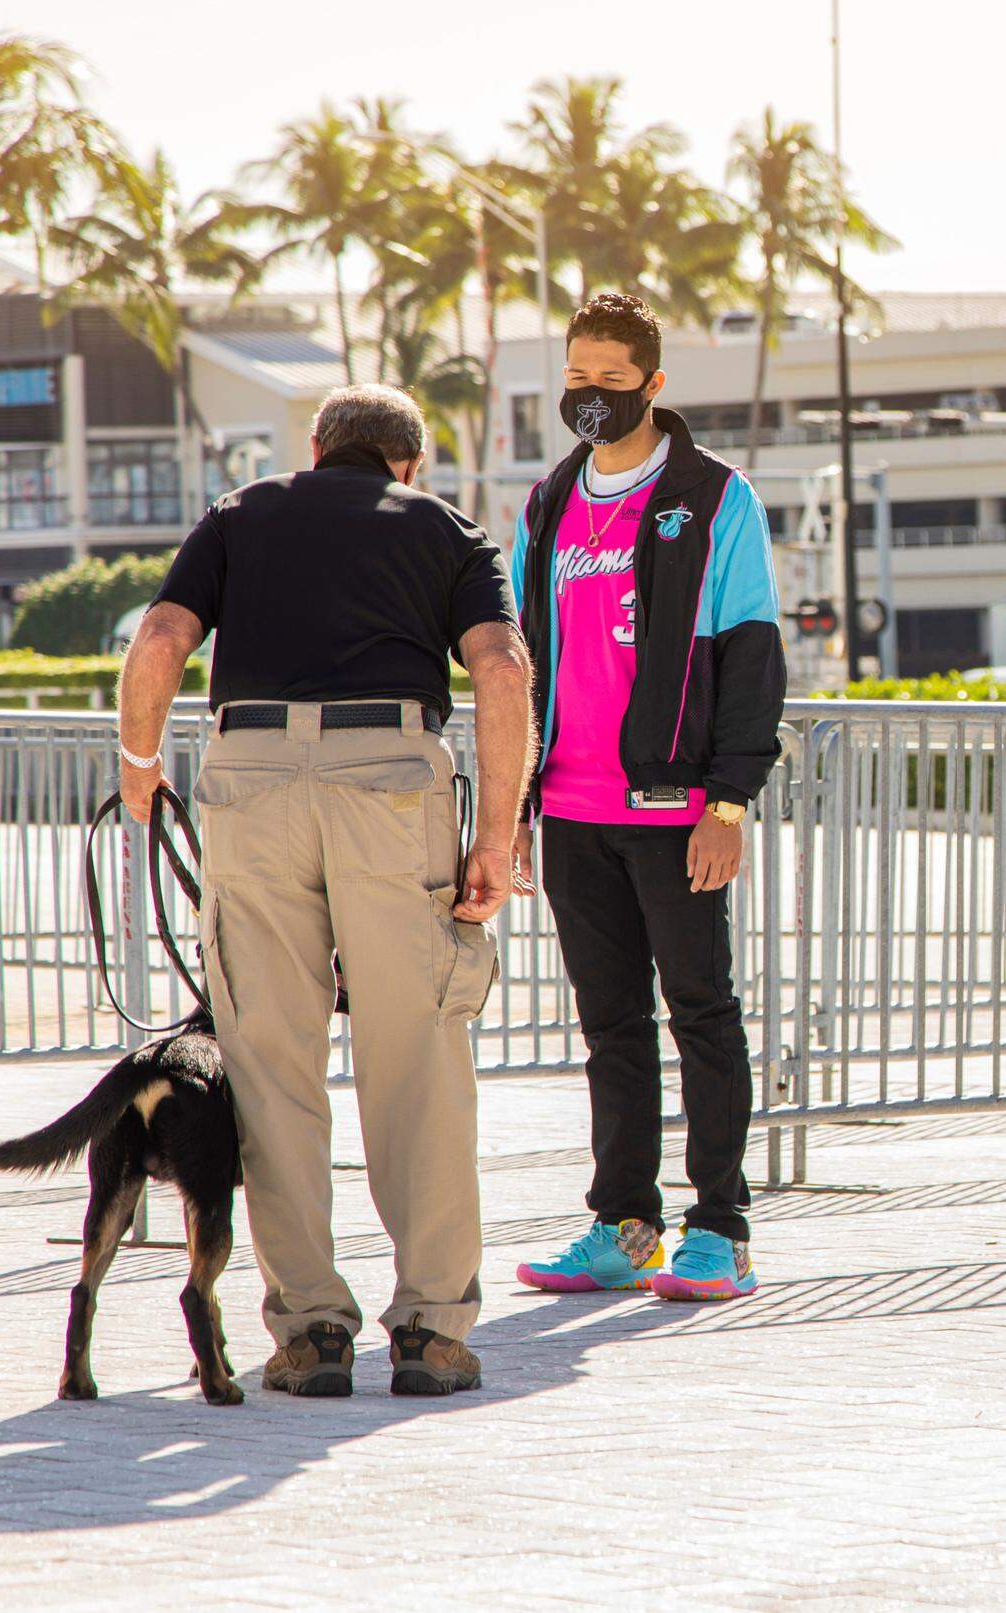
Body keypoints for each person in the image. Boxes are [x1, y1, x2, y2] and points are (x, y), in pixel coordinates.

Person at [118, 383, 534, 1394]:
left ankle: (310, 1331)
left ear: (315, 448)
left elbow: (162, 636)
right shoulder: (446, 528)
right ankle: (431, 1329)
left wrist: (138, 765)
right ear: (409, 462)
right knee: (418, 1055)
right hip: (391, 778)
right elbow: (504, 669)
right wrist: (495, 839)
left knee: (269, 1061)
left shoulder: (241, 513)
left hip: (252, 780)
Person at [510, 292, 786, 1302]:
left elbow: (752, 653)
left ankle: (720, 1228)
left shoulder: (715, 498)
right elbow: (520, 662)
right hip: (573, 810)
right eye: (576, 377)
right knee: (610, 1025)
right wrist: (517, 807)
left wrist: (729, 801)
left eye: (612, 380)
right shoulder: (547, 503)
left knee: (702, 1014)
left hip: (674, 809)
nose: (592, 395)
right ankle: (624, 1224)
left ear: (653, 384)